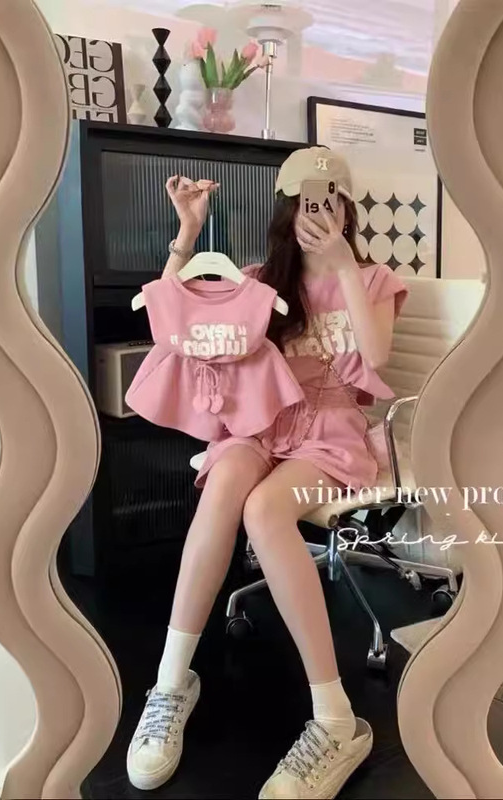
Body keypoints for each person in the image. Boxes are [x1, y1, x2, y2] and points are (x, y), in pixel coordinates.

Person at [126, 147, 408, 800]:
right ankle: (170, 684)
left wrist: (342, 263)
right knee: (226, 484)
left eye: (330, 200)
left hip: (330, 432)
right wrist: (186, 236)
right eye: (306, 201)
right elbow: (175, 323)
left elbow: (376, 356)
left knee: (264, 510)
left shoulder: (373, 279)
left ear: (347, 208)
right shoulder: (259, 281)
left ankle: (335, 718)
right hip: (262, 422)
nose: (319, 212)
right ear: (286, 210)